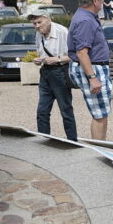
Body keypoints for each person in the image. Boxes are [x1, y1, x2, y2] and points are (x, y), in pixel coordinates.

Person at [67, 0, 112, 140]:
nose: (103, 1)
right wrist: (93, 78)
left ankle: (101, 147)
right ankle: (99, 151)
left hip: (95, 67)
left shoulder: (85, 17)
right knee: (99, 114)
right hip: (93, 69)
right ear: (95, 0)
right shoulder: (85, 20)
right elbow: (82, 53)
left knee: (102, 113)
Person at [30, 9, 77, 141]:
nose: (37, 26)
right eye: (34, 23)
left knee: (66, 110)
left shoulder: (63, 32)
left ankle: (72, 141)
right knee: (42, 111)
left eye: (39, 22)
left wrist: (57, 59)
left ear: (48, 19)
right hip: (45, 73)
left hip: (60, 72)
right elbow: (41, 53)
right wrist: (39, 60)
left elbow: (75, 55)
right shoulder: (38, 34)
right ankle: (44, 140)